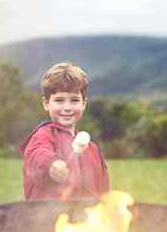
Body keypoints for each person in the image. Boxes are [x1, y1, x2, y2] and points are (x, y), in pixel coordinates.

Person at [20, 62, 109, 200]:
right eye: (59, 100)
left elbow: (103, 186)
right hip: (46, 218)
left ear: (84, 103)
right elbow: (37, 154)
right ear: (46, 103)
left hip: (85, 219)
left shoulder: (92, 149)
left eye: (74, 100)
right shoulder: (43, 135)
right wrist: (52, 164)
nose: (67, 107)